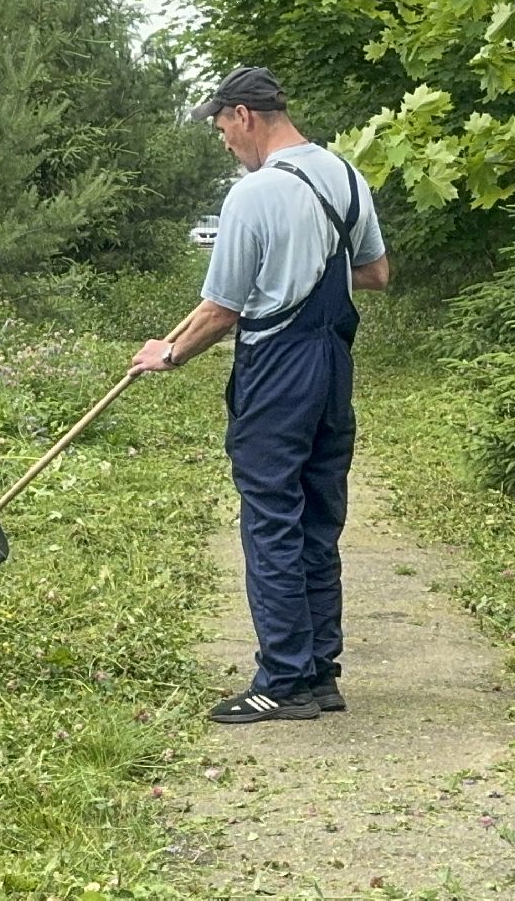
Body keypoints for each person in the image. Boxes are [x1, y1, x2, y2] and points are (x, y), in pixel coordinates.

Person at [130, 66, 392, 724]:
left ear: (244, 115)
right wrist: (305, 266)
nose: (224, 142)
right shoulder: (345, 176)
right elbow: (376, 273)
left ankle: (281, 678)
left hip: (278, 368)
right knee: (317, 518)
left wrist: (168, 353)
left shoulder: (253, 195)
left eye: (221, 128)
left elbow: (220, 309)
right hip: (334, 364)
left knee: (272, 517)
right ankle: (320, 673)